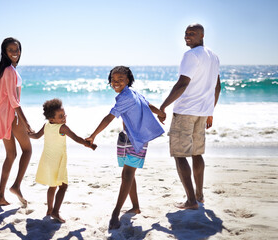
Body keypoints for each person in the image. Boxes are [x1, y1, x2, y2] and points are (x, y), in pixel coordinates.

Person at [86, 66, 165, 230]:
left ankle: (115, 213)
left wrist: (93, 135)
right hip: (127, 136)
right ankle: (135, 206)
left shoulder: (126, 97)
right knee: (129, 172)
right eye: (114, 80)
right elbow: (148, 104)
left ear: (128, 80)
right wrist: (160, 113)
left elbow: (109, 117)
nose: (116, 83)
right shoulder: (131, 93)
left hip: (138, 139)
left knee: (127, 173)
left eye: (120, 79)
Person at [159, 23, 221, 210]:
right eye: (186, 33)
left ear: (202, 35)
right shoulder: (214, 56)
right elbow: (217, 87)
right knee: (196, 153)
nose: (187, 36)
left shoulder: (191, 55)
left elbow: (182, 84)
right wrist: (210, 111)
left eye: (192, 33)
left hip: (185, 111)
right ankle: (199, 196)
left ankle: (191, 201)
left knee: (179, 155)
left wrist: (163, 106)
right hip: (202, 113)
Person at [29, 98, 97, 223]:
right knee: (63, 186)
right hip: (58, 161)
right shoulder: (62, 127)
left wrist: (28, 134)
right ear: (52, 119)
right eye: (60, 116)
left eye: (64, 114)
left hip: (48, 159)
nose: (64, 117)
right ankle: (55, 211)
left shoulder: (46, 126)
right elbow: (76, 138)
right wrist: (89, 145)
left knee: (52, 185)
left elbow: (36, 136)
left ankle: (49, 209)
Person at [0, 37, 34, 206]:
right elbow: (14, 101)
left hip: (3, 114)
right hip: (11, 115)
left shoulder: (5, 70)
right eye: (11, 50)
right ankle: (15, 186)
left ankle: (0, 195)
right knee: (27, 151)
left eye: (17, 50)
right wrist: (27, 123)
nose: (15, 53)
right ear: (5, 52)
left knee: (11, 155)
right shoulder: (9, 70)